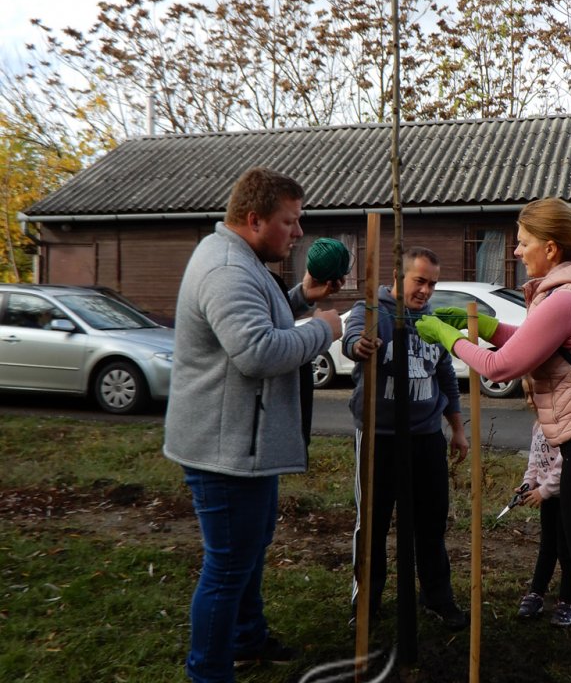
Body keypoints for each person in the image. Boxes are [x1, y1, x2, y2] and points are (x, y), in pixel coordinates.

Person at [416, 198, 571, 682]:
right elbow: (534, 340)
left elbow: (504, 366)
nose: (516, 252)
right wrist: (484, 328)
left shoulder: (567, 297)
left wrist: (447, 336)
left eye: (522, 243)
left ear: (549, 247)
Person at [163, 167, 343, 683]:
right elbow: (257, 351)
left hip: (245, 445)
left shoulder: (240, 262)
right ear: (254, 218)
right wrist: (322, 331)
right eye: (290, 222)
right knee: (226, 568)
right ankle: (210, 672)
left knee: (246, 549)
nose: (299, 233)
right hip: (225, 452)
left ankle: (246, 638)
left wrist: (302, 297)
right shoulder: (226, 269)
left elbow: (259, 321)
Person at [342, 246, 470, 631]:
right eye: (420, 281)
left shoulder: (431, 320)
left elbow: (445, 375)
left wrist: (458, 429)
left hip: (426, 438)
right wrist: (359, 347)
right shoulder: (372, 311)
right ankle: (366, 603)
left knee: (430, 525)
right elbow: (352, 340)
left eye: (432, 283)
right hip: (379, 438)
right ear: (398, 277)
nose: (426, 290)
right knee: (373, 526)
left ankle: (437, 598)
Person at [515, 378, 571, 627]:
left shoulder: (564, 425)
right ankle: (536, 593)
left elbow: (564, 466)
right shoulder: (538, 426)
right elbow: (535, 461)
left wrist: (545, 490)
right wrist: (528, 484)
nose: (530, 401)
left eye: (535, 394)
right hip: (547, 496)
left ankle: (568, 602)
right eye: (526, 395)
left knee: (567, 550)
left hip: (565, 497)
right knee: (547, 547)